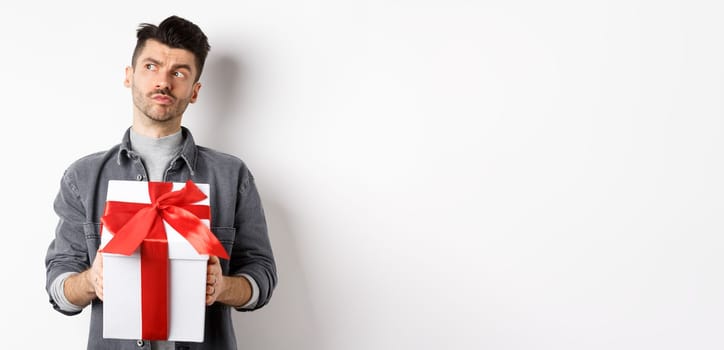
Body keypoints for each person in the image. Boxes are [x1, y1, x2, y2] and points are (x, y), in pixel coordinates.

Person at [44, 15, 277, 350]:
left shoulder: (232, 175)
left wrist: (223, 287)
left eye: (179, 73)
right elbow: (58, 286)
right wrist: (90, 281)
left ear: (195, 91)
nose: (163, 82)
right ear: (129, 76)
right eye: (151, 67)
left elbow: (263, 276)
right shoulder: (82, 177)